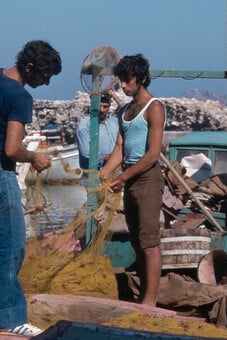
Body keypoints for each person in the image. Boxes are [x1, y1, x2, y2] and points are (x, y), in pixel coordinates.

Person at [0, 40, 61, 337]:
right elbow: (11, 149)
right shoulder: (20, 97)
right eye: (44, 76)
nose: (45, 82)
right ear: (29, 67)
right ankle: (8, 319)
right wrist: (35, 157)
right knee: (11, 247)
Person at [100, 54, 165, 307]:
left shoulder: (155, 107)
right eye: (121, 81)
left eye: (127, 81)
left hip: (147, 179)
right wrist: (105, 173)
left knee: (149, 241)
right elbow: (120, 147)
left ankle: (149, 301)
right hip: (130, 177)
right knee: (137, 240)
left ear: (141, 79)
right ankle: (142, 293)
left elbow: (152, 154)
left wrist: (123, 177)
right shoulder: (125, 110)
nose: (123, 86)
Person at [76, 93, 119, 170]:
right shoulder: (84, 125)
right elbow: (86, 153)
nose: (101, 110)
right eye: (99, 106)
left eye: (105, 107)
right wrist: (112, 158)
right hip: (95, 174)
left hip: (116, 172)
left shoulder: (116, 122)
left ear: (109, 106)